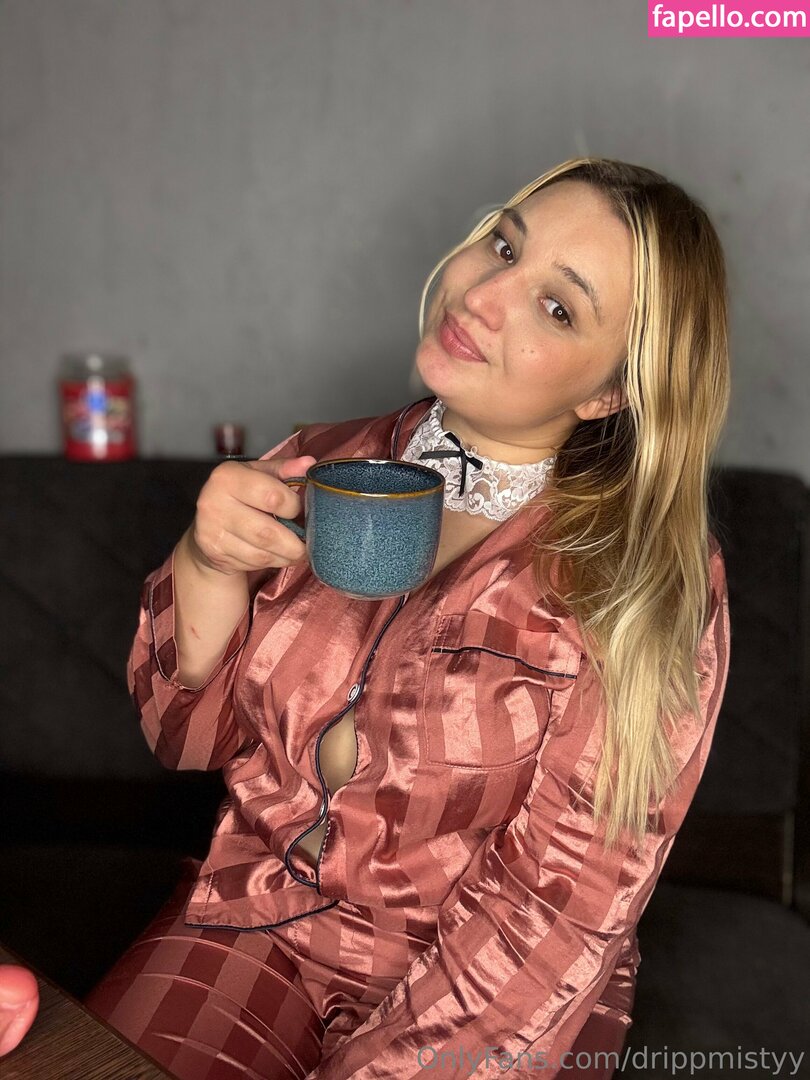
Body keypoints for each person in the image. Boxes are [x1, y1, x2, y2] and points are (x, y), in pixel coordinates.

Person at [85, 157, 731, 1079]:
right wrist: (208, 563)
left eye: (558, 307)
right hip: (260, 915)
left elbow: (559, 911)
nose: (485, 295)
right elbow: (183, 739)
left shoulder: (644, 581)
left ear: (608, 393)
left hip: (498, 991)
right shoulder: (317, 462)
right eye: (502, 246)